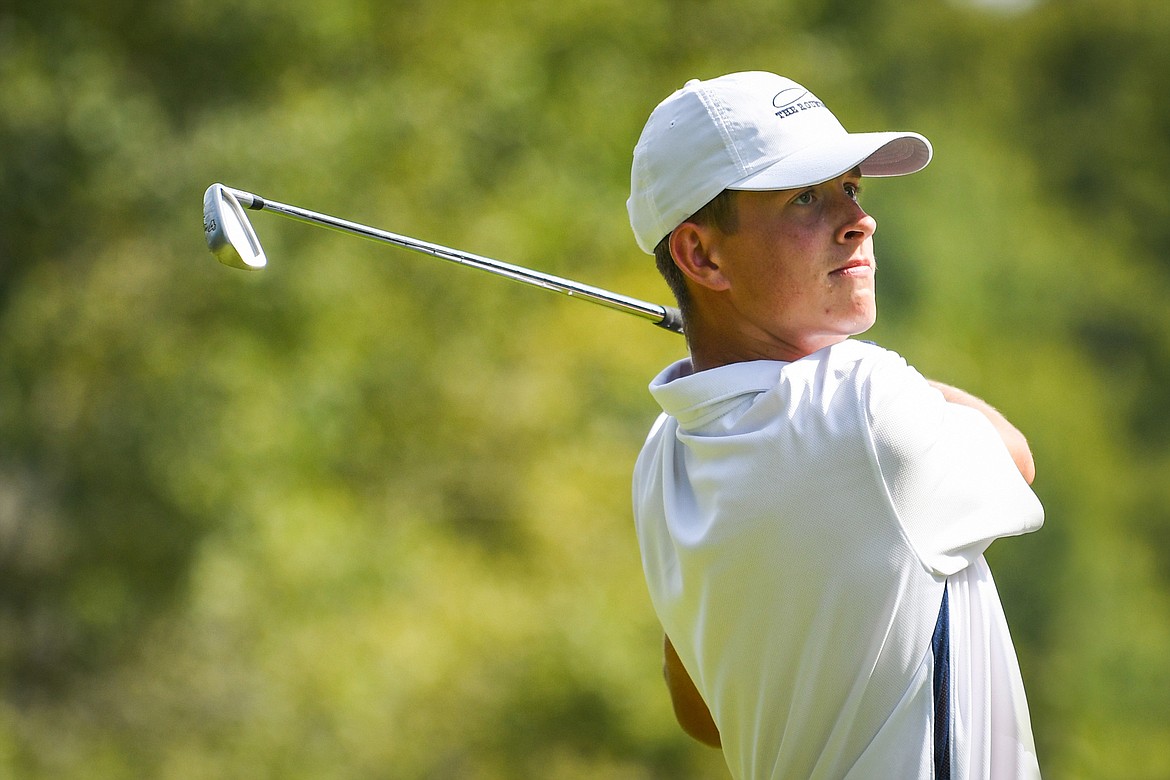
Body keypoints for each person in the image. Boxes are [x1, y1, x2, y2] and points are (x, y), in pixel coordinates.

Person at [627, 71, 1044, 779]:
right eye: (804, 198)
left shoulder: (660, 459)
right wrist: (833, 358)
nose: (859, 219)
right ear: (701, 255)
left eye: (850, 188)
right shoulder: (864, 399)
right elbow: (1017, 454)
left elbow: (702, 715)